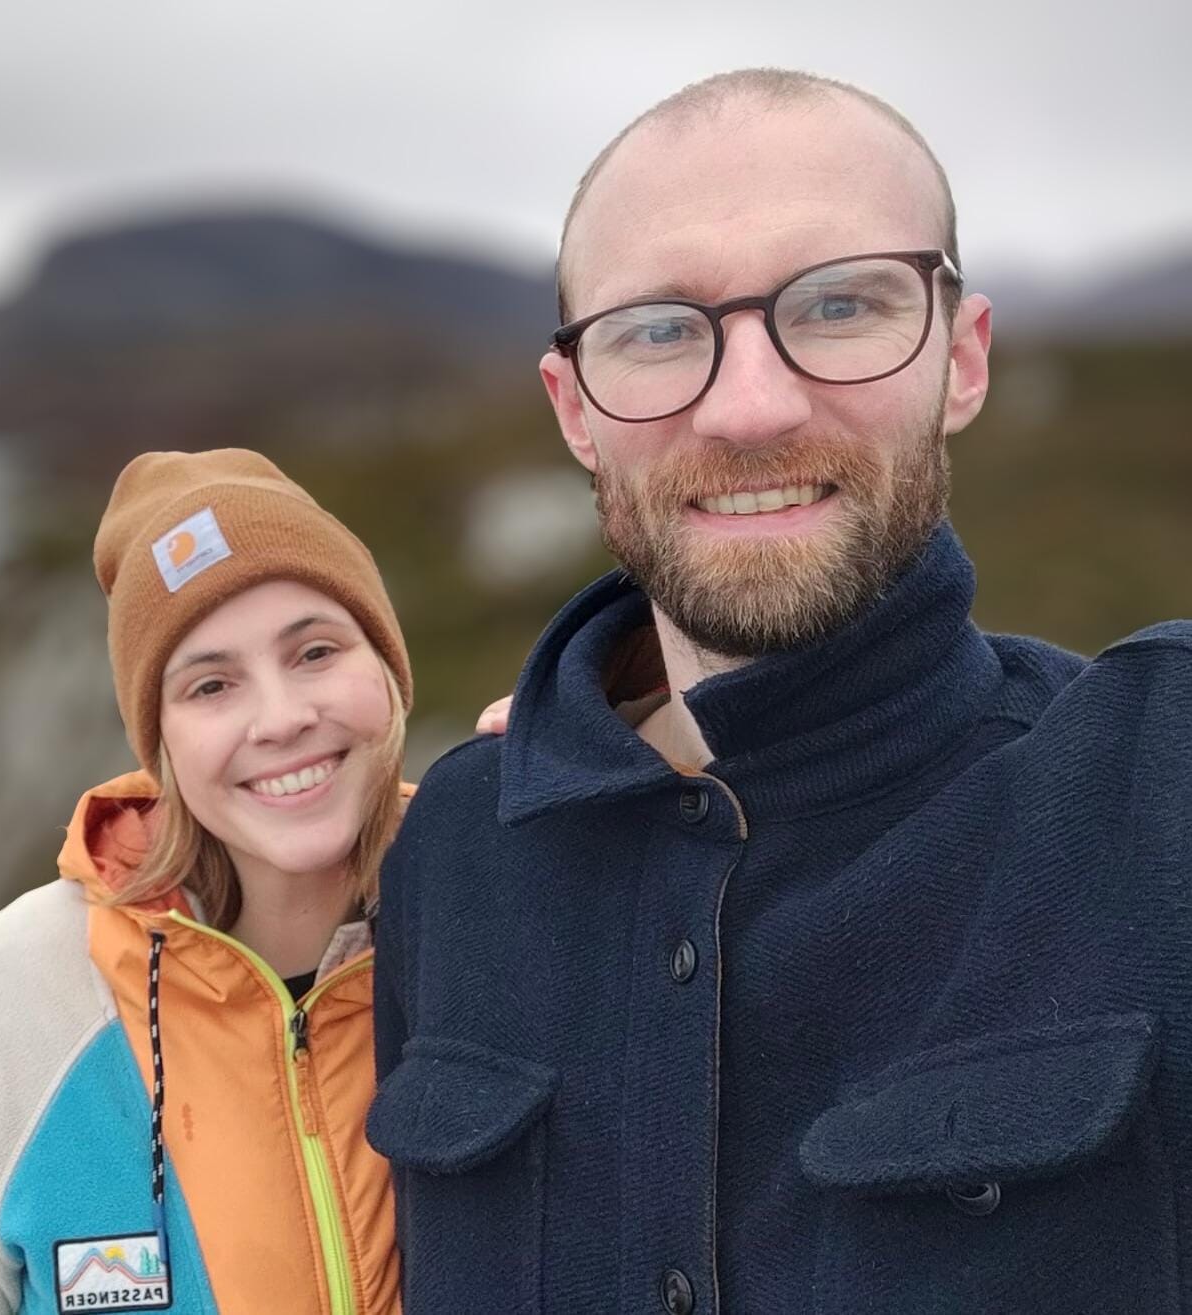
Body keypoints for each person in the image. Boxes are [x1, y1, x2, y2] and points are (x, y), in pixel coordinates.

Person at [369, 69, 1192, 1314]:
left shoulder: (1154, 788)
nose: (749, 409)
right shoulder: (452, 852)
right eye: (656, 330)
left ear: (962, 359)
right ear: (575, 412)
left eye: (839, 304)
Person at [0, 449, 416, 1313]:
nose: (280, 717)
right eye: (211, 684)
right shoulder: (15, 992)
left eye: (314, 650)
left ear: (387, 668)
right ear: (160, 743)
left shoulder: (508, 920)